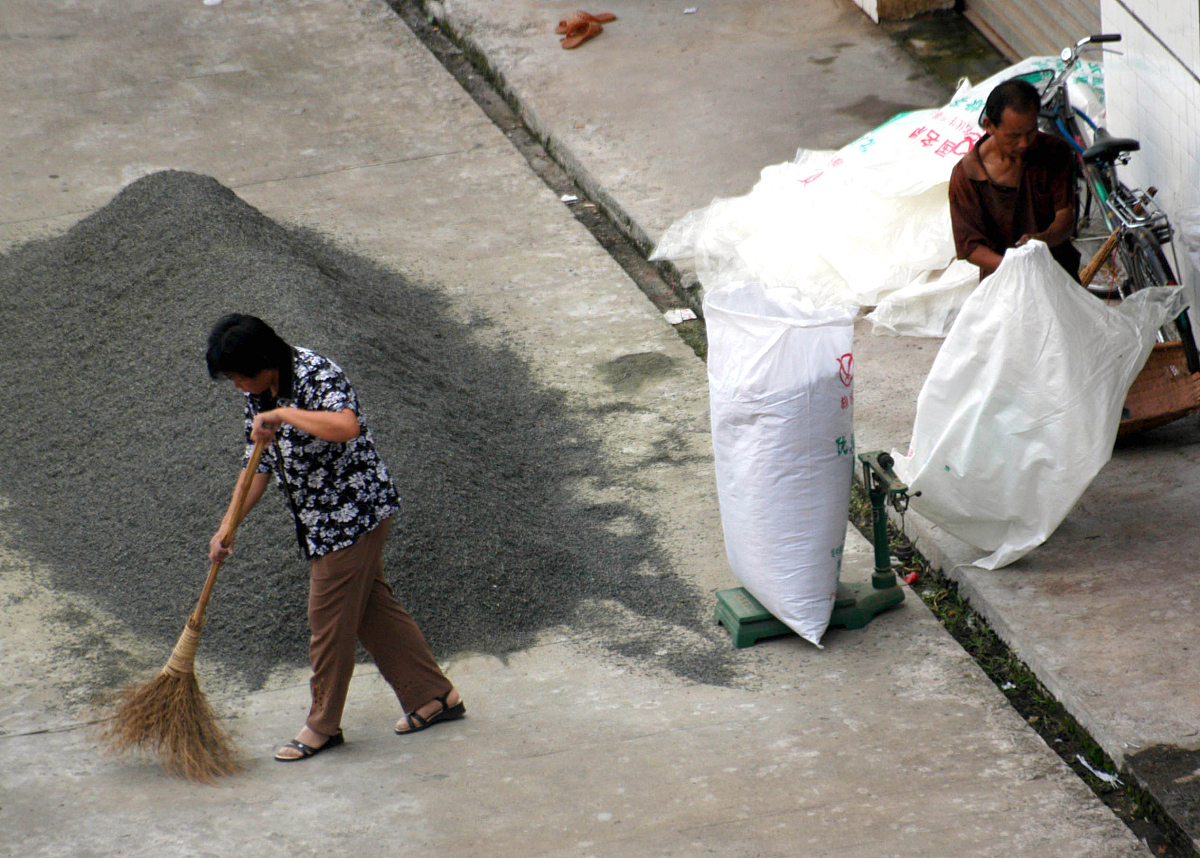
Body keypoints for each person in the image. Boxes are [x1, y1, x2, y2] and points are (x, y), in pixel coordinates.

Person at [205, 314, 464, 762]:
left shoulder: (316, 374)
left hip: (353, 519)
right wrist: (227, 527)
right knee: (371, 610)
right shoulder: (259, 392)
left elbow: (346, 426)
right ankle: (434, 697)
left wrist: (284, 413)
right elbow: (257, 465)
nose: (237, 387)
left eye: (240, 376)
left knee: (327, 624)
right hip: (320, 525)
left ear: (265, 362)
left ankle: (322, 725)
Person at [948, 78, 1081, 282]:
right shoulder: (967, 175)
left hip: (1058, 273)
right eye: (1014, 136)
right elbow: (970, 246)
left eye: (1031, 132)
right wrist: (1013, 267)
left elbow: (1065, 217)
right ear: (989, 125)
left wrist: (1040, 241)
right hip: (1002, 281)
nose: (1024, 143)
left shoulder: (1055, 152)